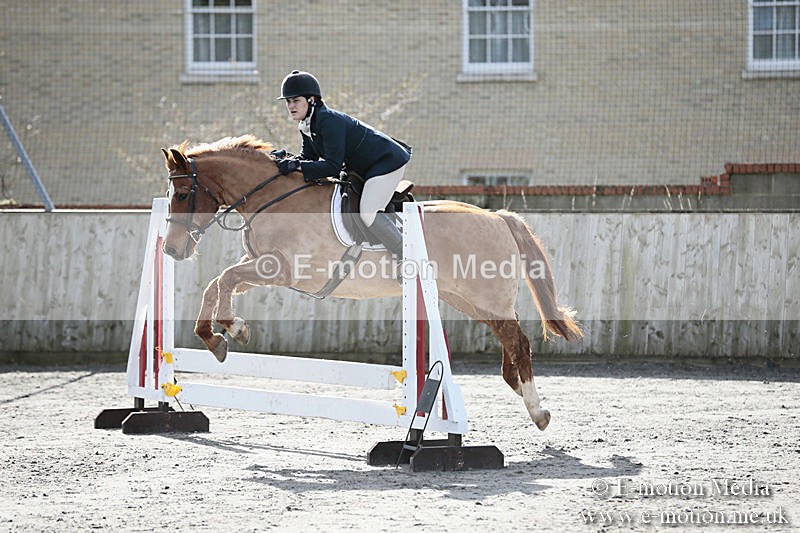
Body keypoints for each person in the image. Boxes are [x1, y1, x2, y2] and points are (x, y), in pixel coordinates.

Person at [273, 70, 411, 259]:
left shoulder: (328, 121)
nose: (290, 106)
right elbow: (309, 158)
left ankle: (407, 254)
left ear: (312, 100)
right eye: (288, 101)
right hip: (365, 166)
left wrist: (297, 167)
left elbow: (332, 166)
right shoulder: (307, 124)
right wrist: (288, 160)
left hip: (386, 162)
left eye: (295, 100)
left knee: (368, 213)